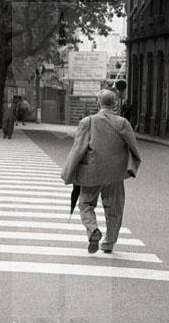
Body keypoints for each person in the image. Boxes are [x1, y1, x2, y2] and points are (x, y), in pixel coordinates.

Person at [60, 89, 141, 254]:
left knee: (85, 204)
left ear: (98, 102)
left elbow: (78, 150)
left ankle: (93, 230)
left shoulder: (87, 122)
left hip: (91, 172)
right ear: (115, 104)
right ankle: (109, 243)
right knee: (114, 209)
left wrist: (68, 173)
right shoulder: (123, 123)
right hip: (115, 175)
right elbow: (134, 148)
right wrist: (131, 167)